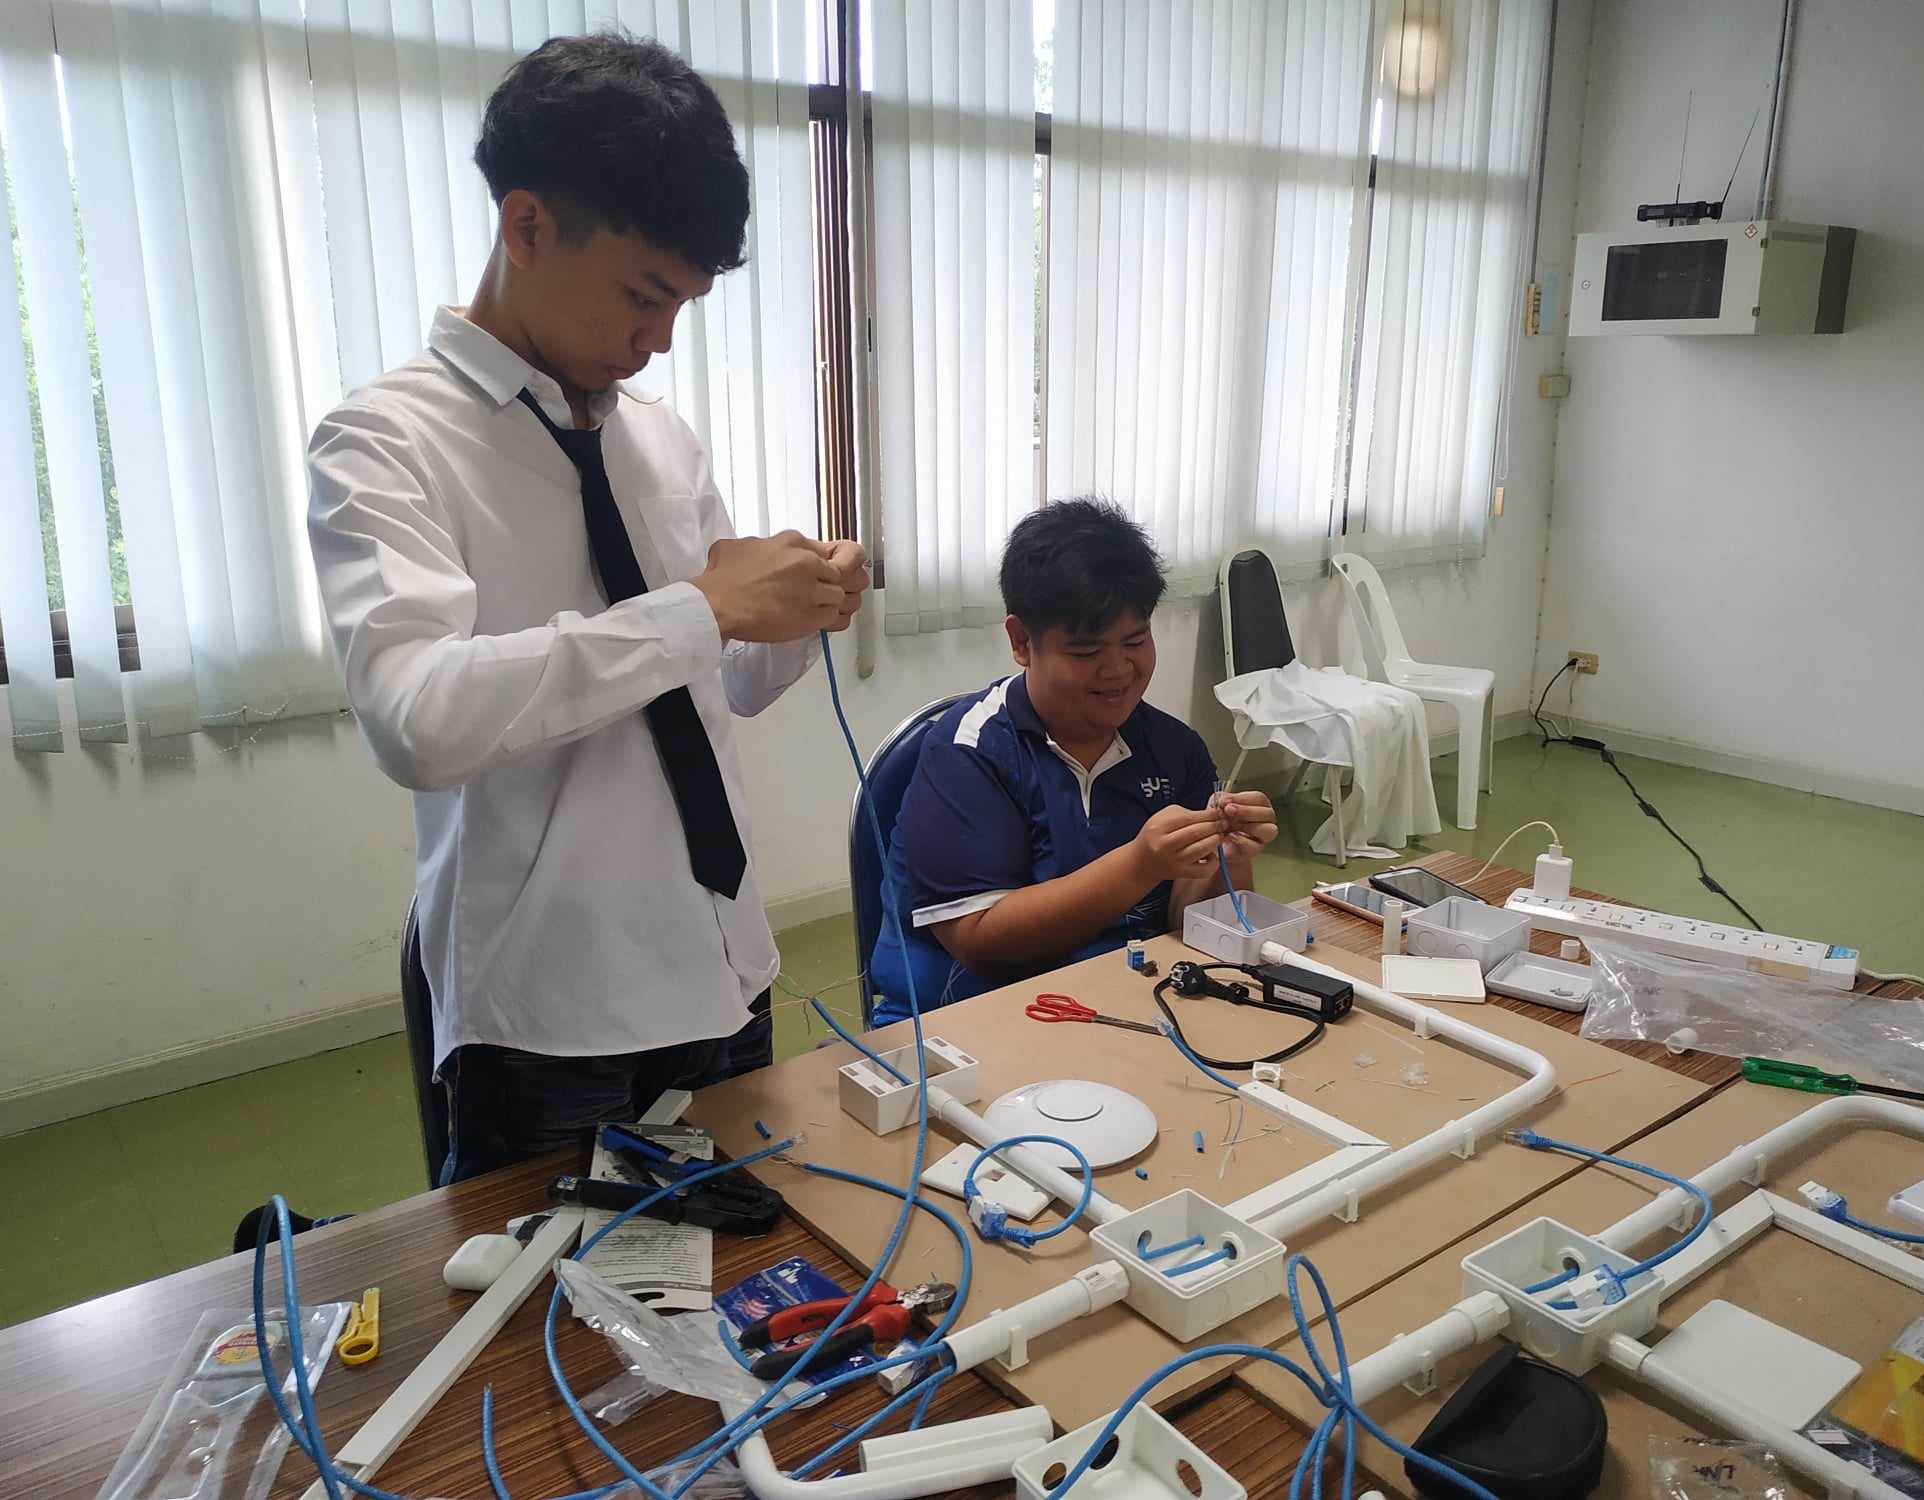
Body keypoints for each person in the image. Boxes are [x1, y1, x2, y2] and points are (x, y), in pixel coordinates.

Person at [306, 35, 867, 1182]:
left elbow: (727, 680)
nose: (658, 340)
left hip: (718, 958)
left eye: (683, 305)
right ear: (526, 227)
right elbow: (418, 721)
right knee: (549, 1290)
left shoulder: (657, 437)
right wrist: (700, 608)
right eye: (642, 296)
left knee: (745, 1266)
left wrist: (800, 605)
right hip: (546, 1007)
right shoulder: (382, 443)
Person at [871, 499, 1278, 1019]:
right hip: (967, 1019)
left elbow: (1193, 922)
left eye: (1135, 641)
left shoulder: (1175, 748)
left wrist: (1229, 857)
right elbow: (981, 942)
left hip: (1123, 1005)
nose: (1118, 670)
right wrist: (1139, 864)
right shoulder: (968, 754)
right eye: (1086, 652)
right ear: (1022, 641)